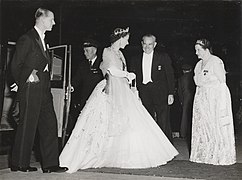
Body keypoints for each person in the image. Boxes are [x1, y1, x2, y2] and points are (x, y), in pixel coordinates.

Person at [59, 27, 178, 173]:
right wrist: (127, 74)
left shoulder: (120, 53)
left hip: (122, 90)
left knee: (127, 121)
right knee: (105, 122)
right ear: (120, 39)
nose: (128, 43)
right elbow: (111, 70)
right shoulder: (107, 51)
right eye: (127, 39)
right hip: (110, 90)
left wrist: (131, 85)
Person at [10, 7, 68, 173]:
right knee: (27, 126)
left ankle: (50, 164)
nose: (54, 23)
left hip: (44, 90)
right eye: (52, 19)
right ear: (42, 19)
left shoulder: (42, 40)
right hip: (30, 90)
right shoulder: (27, 38)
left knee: (49, 125)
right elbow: (15, 65)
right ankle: (19, 163)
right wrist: (24, 79)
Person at [189, 38, 236, 165]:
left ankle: (220, 155)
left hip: (215, 97)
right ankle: (205, 155)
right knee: (203, 125)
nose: (196, 53)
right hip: (201, 97)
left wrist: (220, 104)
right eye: (195, 50)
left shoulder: (216, 61)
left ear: (206, 49)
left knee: (216, 125)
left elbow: (222, 83)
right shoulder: (198, 65)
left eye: (198, 50)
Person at [130, 34, 175, 141]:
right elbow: (132, 77)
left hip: (161, 93)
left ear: (155, 45)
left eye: (150, 44)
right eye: (145, 44)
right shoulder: (135, 58)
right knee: (146, 119)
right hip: (144, 92)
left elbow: (170, 75)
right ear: (141, 44)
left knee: (163, 121)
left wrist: (171, 93)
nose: (147, 47)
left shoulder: (163, 57)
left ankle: (167, 147)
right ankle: (150, 145)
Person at [67, 39, 103, 135]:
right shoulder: (83, 65)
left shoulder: (102, 63)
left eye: (87, 51)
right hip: (85, 100)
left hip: (98, 100)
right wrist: (72, 86)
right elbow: (77, 79)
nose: (85, 53)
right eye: (84, 51)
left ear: (94, 51)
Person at [177, 64, 195, 153]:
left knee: (184, 117)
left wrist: (181, 101)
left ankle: (183, 133)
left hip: (184, 99)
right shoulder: (192, 77)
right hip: (192, 99)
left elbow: (179, 91)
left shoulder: (180, 79)